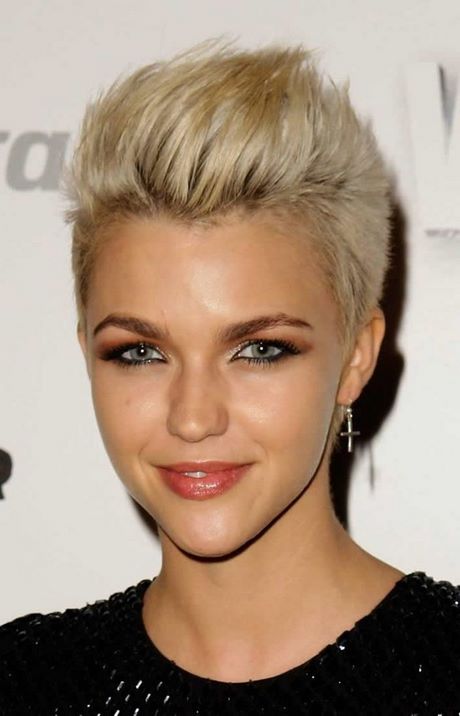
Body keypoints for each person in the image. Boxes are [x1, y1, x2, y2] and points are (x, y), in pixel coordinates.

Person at [0, 38, 459, 715]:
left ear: (355, 358)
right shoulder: (23, 682)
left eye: (259, 350)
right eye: (139, 352)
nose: (192, 417)